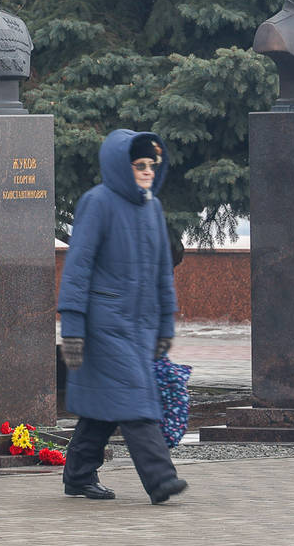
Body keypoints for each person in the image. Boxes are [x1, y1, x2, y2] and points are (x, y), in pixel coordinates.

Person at [58, 129, 187, 505]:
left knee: (106, 404)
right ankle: (161, 479)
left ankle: (79, 474)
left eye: (152, 165)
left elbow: (164, 272)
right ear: (121, 166)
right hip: (105, 324)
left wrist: (165, 326)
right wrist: (74, 331)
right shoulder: (97, 202)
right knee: (134, 398)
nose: (147, 171)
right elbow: (78, 269)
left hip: (141, 327)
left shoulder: (153, 207)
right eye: (139, 165)